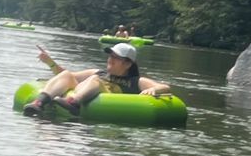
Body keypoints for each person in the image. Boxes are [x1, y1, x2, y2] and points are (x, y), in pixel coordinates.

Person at [23, 42, 171, 116]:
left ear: (127, 63)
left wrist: (152, 89)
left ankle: (74, 102)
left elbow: (164, 87)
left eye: (116, 57)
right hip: (85, 89)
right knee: (69, 75)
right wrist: (50, 62)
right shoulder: (99, 72)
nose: (110, 59)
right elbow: (66, 76)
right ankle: (39, 103)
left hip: (110, 100)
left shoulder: (135, 81)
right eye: (110, 56)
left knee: (95, 79)